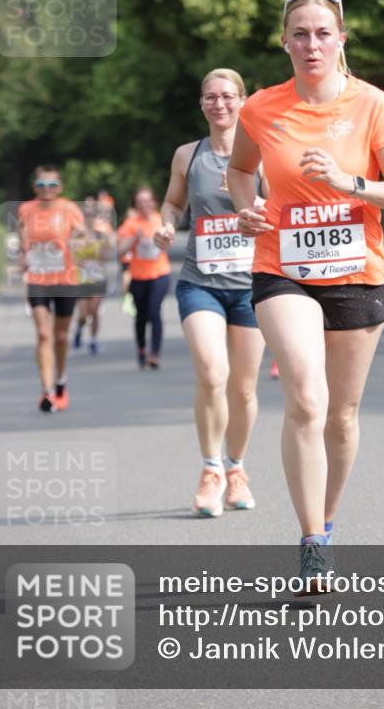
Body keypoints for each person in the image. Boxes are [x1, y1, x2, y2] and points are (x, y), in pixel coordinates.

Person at [228, 0, 384, 589]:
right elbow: (240, 169)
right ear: (284, 41)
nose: (311, 44)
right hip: (281, 268)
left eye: (322, 33)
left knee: (341, 416)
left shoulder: (374, 105)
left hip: (356, 273)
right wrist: (246, 207)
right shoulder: (261, 107)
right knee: (307, 400)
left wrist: (348, 181)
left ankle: (328, 523)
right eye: (300, 34)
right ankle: (311, 542)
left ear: (341, 39)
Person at [154, 68, 266, 517]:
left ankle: (236, 467)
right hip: (200, 281)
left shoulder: (262, 153)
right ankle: (211, 469)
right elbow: (173, 203)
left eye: (227, 96)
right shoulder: (188, 154)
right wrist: (166, 225)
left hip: (252, 285)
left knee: (243, 389)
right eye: (211, 97)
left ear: (243, 101)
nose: (219, 104)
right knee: (213, 373)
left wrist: (252, 205)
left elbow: (282, 206)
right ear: (202, 104)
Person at [18, 165, 86, 412]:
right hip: (37, 278)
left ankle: (60, 381)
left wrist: (81, 238)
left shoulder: (69, 209)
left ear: (60, 187)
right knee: (44, 334)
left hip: (65, 278)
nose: (46, 190)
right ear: (34, 187)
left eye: (52, 185)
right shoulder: (26, 209)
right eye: (41, 185)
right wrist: (23, 256)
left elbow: (83, 236)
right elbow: (23, 237)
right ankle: (46, 391)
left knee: (60, 336)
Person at [117, 188, 171, 368]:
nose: (144, 205)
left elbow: (169, 243)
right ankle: (141, 349)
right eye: (140, 202)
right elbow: (120, 251)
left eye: (147, 201)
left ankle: (154, 354)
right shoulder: (130, 224)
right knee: (141, 316)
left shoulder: (161, 220)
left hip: (160, 274)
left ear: (154, 202)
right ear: (136, 205)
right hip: (138, 276)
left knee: (155, 312)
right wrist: (134, 238)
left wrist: (165, 239)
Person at [72, 196, 114, 355]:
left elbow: (108, 256)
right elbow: (71, 257)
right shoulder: (77, 235)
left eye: (92, 215)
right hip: (81, 277)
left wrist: (101, 251)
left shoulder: (101, 235)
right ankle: (78, 329)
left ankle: (93, 341)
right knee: (83, 314)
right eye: (86, 215)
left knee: (94, 311)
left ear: (96, 217)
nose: (89, 218)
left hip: (98, 277)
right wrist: (81, 253)